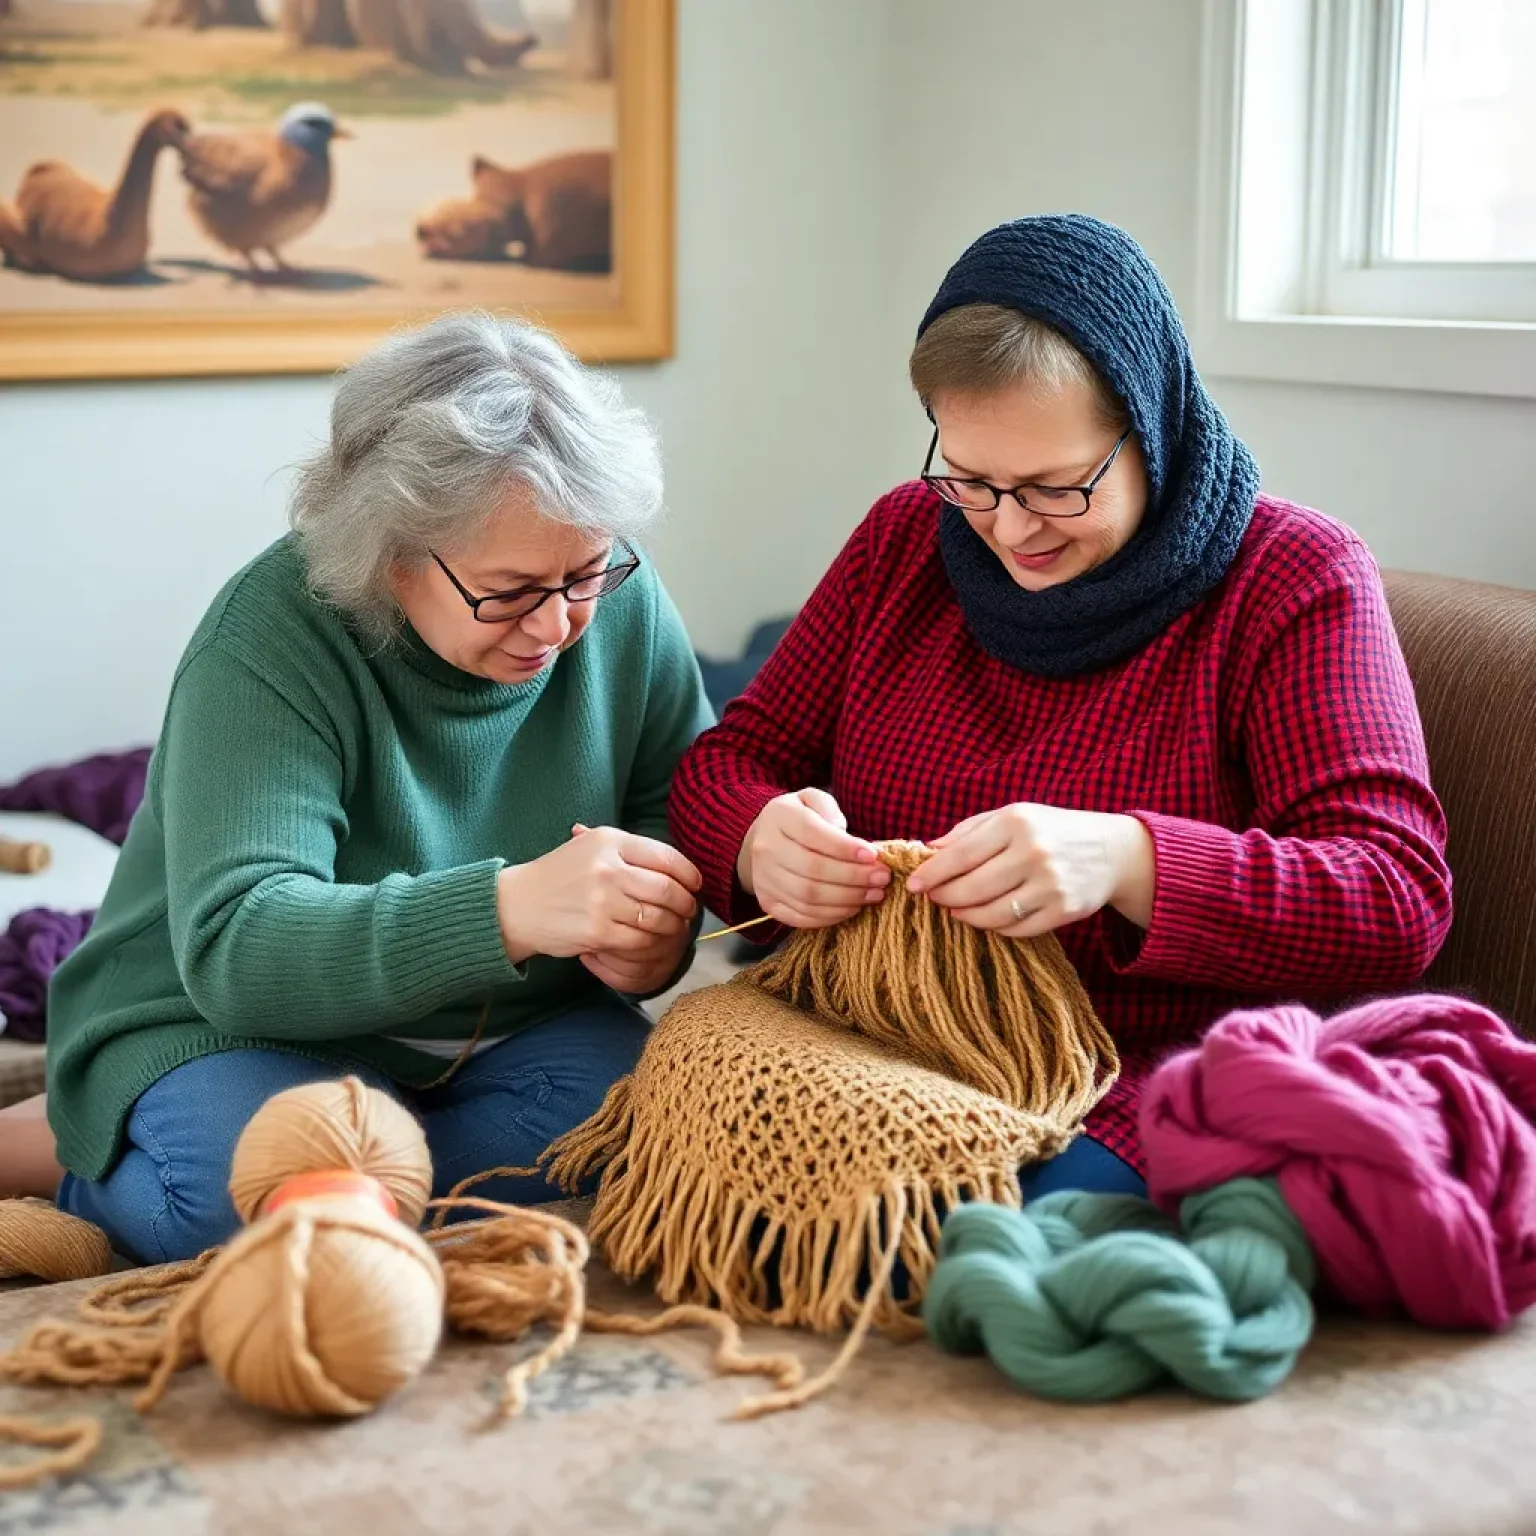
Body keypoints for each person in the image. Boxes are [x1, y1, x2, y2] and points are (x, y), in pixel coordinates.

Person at [668, 214, 1452, 1200]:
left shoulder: (1292, 578)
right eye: (971, 481)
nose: (1007, 527)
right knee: (694, 1158)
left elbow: (1392, 894)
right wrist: (756, 836)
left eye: (1053, 487)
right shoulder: (904, 540)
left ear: (1150, 427)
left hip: (1135, 1069)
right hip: (876, 1028)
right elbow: (727, 759)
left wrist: (1129, 862)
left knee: (944, 1229)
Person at [0, 312, 712, 1263]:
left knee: (646, 1142)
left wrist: (659, 930)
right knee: (238, 1210)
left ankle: (351, 1181)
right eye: (508, 592)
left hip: (508, 1030)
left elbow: (684, 811)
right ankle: (71, 1150)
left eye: (587, 573)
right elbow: (242, 945)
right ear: (390, 556)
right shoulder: (267, 640)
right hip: (232, 1023)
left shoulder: (615, 601)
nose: (558, 626)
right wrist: (509, 909)